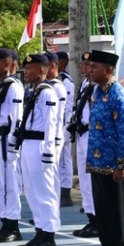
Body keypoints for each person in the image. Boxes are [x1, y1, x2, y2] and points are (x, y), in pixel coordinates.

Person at [84, 50, 124, 246]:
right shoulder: (97, 92)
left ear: (109, 70)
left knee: (116, 212)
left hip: (113, 165)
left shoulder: (118, 95)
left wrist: (122, 165)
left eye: (95, 67)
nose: (90, 70)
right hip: (97, 162)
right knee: (102, 211)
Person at [14, 53, 60, 246]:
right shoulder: (34, 91)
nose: (26, 72)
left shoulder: (48, 93)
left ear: (42, 70)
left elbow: (51, 124)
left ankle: (49, 237)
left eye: (29, 68)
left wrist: (49, 152)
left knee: (45, 192)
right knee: (31, 192)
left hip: (41, 145)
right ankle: (40, 231)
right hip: (28, 144)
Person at [0, 48, 24, 242]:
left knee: (9, 183)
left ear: (7, 65)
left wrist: (12, 144)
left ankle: (13, 225)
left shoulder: (13, 86)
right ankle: (4, 221)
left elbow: (17, 117)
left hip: (4, 139)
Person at [70, 52, 98, 238]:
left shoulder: (99, 87)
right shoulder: (84, 85)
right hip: (81, 134)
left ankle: (98, 219)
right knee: (84, 180)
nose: (85, 68)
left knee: (93, 180)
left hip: (92, 135)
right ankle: (91, 218)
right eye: (84, 64)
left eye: (89, 65)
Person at [45, 52, 69, 209]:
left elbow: (59, 116)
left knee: (51, 175)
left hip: (55, 135)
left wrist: (56, 137)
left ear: (53, 66)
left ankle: (51, 209)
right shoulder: (47, 86)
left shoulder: (58, 87)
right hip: (48, 136)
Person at [56, 51, 75, 207]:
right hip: (56, 126)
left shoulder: (66, 82)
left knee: (64, 160)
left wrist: (65, 129)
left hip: (63, 126)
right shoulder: (56, 80)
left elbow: (67, 108)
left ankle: (66, 192)